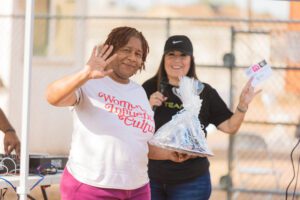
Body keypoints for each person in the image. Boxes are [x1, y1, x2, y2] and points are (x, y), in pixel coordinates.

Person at [142, 35, 260, 200]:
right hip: (150, 179)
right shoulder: (148, 88)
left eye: (183, 55)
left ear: (191, 59)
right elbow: (133, 129)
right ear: (164, 58)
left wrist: (243, 105)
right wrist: (147, 106)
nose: (177, 60)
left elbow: (230, 127)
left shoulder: (204, 92)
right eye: (171, 54)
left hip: (191, 183)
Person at [46, 26, 156, 200]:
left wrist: (173, 154)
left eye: (138, 54)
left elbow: (140, 142)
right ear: (110, 50)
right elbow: (52, 96)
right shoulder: (90, 82)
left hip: (138, 188)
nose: (132, 57)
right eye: (126, 50)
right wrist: (85, 73)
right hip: (92, 188)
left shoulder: (139, 92)